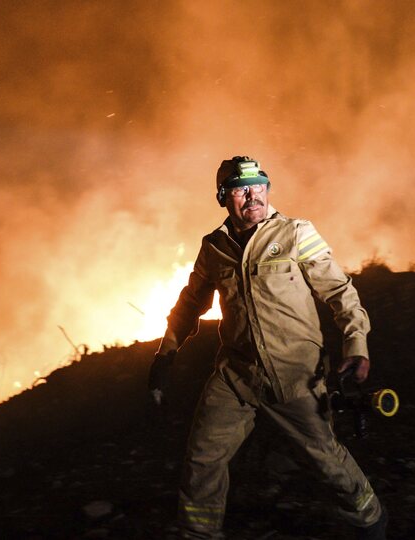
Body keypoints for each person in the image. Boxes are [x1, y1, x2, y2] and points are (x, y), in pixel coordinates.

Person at [149, 156, 387, 539]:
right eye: (241, 189)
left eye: (259, 185)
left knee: (326, 459)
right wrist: (165, 355)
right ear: (223, 197)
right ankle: (198, 534)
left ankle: (371, 520)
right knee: (203, 457)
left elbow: (339, 291)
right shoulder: (214, 247)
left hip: (294, 374)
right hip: (236, 376)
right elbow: (190, 304)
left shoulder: (296, 233)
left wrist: (356, 344)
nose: (253, 195)